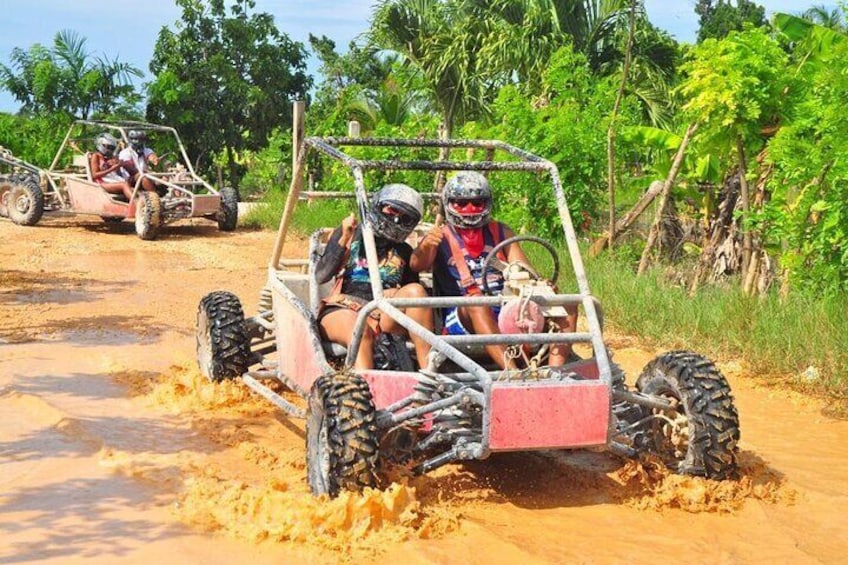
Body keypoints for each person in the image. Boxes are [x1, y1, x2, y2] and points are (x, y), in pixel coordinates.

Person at [411, 171, 577, 370]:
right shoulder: (440, 236)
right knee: (476, 303)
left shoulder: (500, 231)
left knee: (567, 303)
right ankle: (512, 373)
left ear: (486, 204)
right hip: (462, 316)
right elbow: (416, 265)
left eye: (477, 203)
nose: (469, 209)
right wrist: (427, 246)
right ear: (449, 204)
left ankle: (556, 372)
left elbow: (523, 270)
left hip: (506, 306)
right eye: (461, 204)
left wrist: (541, 284)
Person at [315, 183, 434, 370]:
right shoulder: (353, 235)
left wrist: (396, 291)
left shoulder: (404, 251)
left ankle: (429, 377)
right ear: (379, 206)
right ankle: (367, 389)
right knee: (360, 330)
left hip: (382, 313)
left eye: (404, 217)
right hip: (343, 309)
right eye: (392, 210)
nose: (395, 220)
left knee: (416, 291)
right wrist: (344, 237)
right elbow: (321, 275)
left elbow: (413, 297)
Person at [89, 133, 134, 200]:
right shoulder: (96, 156)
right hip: (101, 183)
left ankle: (146, 202)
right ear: (101, 145)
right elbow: (94, 175)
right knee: (124, 185)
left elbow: (117, 173)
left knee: (133, 186)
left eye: (112, 148)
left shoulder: (110, 157)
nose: (110, 150)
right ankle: (137, 204)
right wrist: (112, 169)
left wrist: (119, 165)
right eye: (109, 147)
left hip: (113, 180)